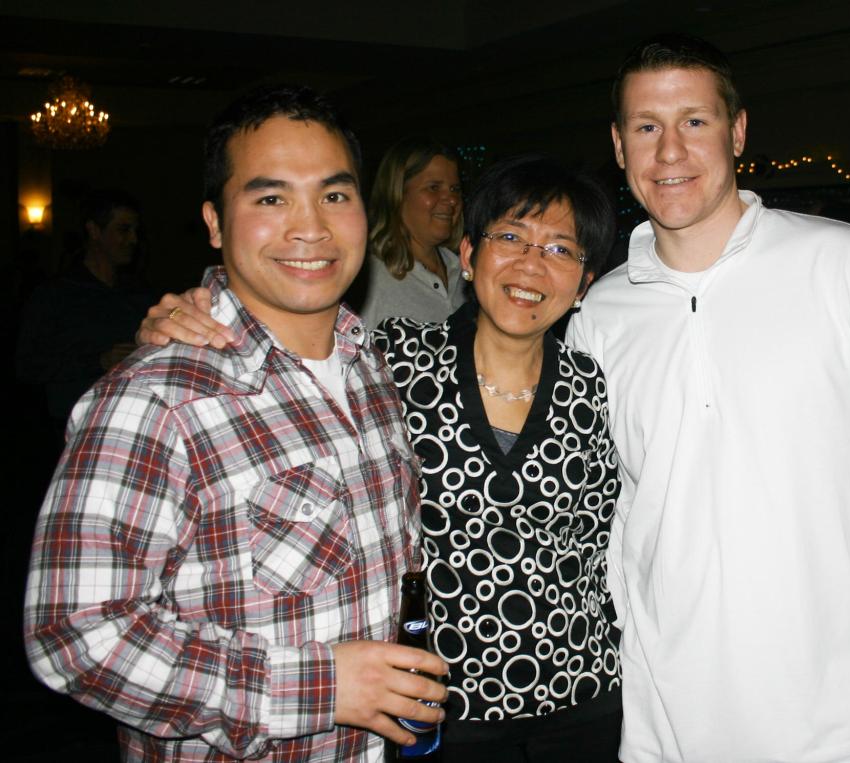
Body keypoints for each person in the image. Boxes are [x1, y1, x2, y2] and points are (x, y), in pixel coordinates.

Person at [565, 35, 850, 762]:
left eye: (694, 120)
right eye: (646, 127)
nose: (669, 151)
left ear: (738, 131)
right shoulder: (599, 314)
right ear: (618, 145)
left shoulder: (848, 266)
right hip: (669, 713)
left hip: (843, 717)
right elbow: (611, 498)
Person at [137, 155, 623, 762]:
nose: (531, 264)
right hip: (433, 703)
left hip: (582, 694)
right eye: (511, 237)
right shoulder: (389, 360)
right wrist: (186, 315)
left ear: (583, 284)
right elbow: (282, 342)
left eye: (560, 250)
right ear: (468, 256)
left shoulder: (595, 387)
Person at [24, 84, 446, 763]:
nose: (310, 227)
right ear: (215, 223)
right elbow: (75, 636)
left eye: (335, 195)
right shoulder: (156, 397)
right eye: (270, 198)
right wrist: (321, 685)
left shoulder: (370, 370)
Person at [17, 189, 154, 436]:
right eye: (123, 230)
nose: (133, 239)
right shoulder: (55, 295)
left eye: (135, 231)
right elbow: (28, 366)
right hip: (72, 431)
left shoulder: (140, 294)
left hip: (130, 423)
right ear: (94, 231)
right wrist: (97, 361)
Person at [348, 136, 464, 329]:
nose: (451, 199)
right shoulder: (367, 279)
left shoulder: (464, 272)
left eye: (455, 189)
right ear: (397, 193)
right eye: (433, 187)